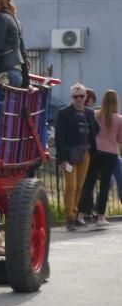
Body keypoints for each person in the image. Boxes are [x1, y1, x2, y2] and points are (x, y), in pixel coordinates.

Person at [55, 83, 100, 231]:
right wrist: (62, 159)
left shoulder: (89, 112)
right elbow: (59, 138)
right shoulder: (64, 113)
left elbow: (95, 130)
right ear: (72, 97)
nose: (79, 99)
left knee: (80, 186)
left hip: (85, 153)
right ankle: (70, 218)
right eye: (76, 96)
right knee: (71, 186)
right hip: (69, 155)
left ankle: (74, 213)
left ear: (86, 97)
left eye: (81, 96)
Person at [77, 90, 122, 227]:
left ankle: (80, 215)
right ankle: (101, 217)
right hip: (110, 153)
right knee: (104, 185)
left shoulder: (95, 115)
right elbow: (120, 139)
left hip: (95, 152)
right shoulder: (119, 118)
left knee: (89, 184)